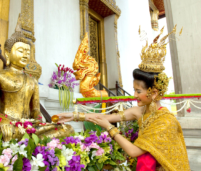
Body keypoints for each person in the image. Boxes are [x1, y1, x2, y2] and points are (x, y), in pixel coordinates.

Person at [57, 28, 190, 170]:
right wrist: (73, 116)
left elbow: (133, 151)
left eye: (138, 91)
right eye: (134, 90)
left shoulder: (165, 121)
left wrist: (109, 128)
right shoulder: (140, 111)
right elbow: (105, 117)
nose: (134, 95)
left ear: (154, 93)